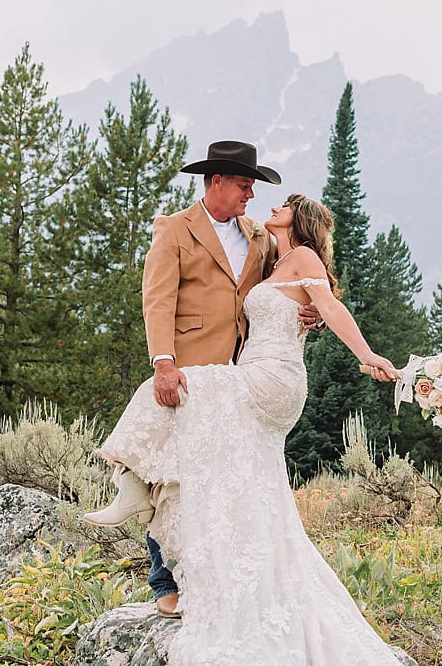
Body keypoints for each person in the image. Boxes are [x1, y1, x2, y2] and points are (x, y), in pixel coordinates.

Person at [84, 189, 440, 666]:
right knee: (224, 469)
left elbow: (329, 307)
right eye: (254, 193)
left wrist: (366, 357)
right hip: (257, 366)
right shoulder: (264, 249)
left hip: (273, 380)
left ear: (296, 221)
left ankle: (132, 483)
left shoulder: (301, 253)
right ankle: (149, 501)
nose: (262, 204)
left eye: (277, 204)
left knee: (177, 389)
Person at [84, 140, 307, 620]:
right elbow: (157, 299)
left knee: (218, 478)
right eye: (244, 185)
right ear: (217, 182)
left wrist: (308, 315)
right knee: (175, 472)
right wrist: (163, 361)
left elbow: (280, 290)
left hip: (237, 377)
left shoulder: (259, 239)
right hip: (185, 369)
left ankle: (208, 576)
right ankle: (163, 579)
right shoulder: (174, 230)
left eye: (252, 187)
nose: (250, 195)